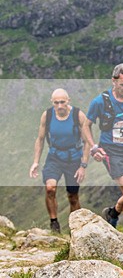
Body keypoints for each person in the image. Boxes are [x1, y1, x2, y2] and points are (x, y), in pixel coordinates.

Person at [85, 63, 123, 246]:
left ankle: (113, 212)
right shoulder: (99, 102)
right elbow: (86, 125)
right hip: (111, 151)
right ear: (113, 81)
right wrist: (94, 146)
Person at [29, 89, 92, 233]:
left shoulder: (78, 115)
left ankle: (75, 229)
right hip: (54, 157)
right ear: (52, 102)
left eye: (62, 102)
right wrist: (35, 162)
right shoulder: (48, 115)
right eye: (56, 103)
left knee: (73, 196)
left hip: (74, 159)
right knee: (50, 188)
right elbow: (40, 139)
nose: (59, 106)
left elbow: (87, 141)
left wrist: (83, 166)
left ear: (68, 100)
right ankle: (54, 223)